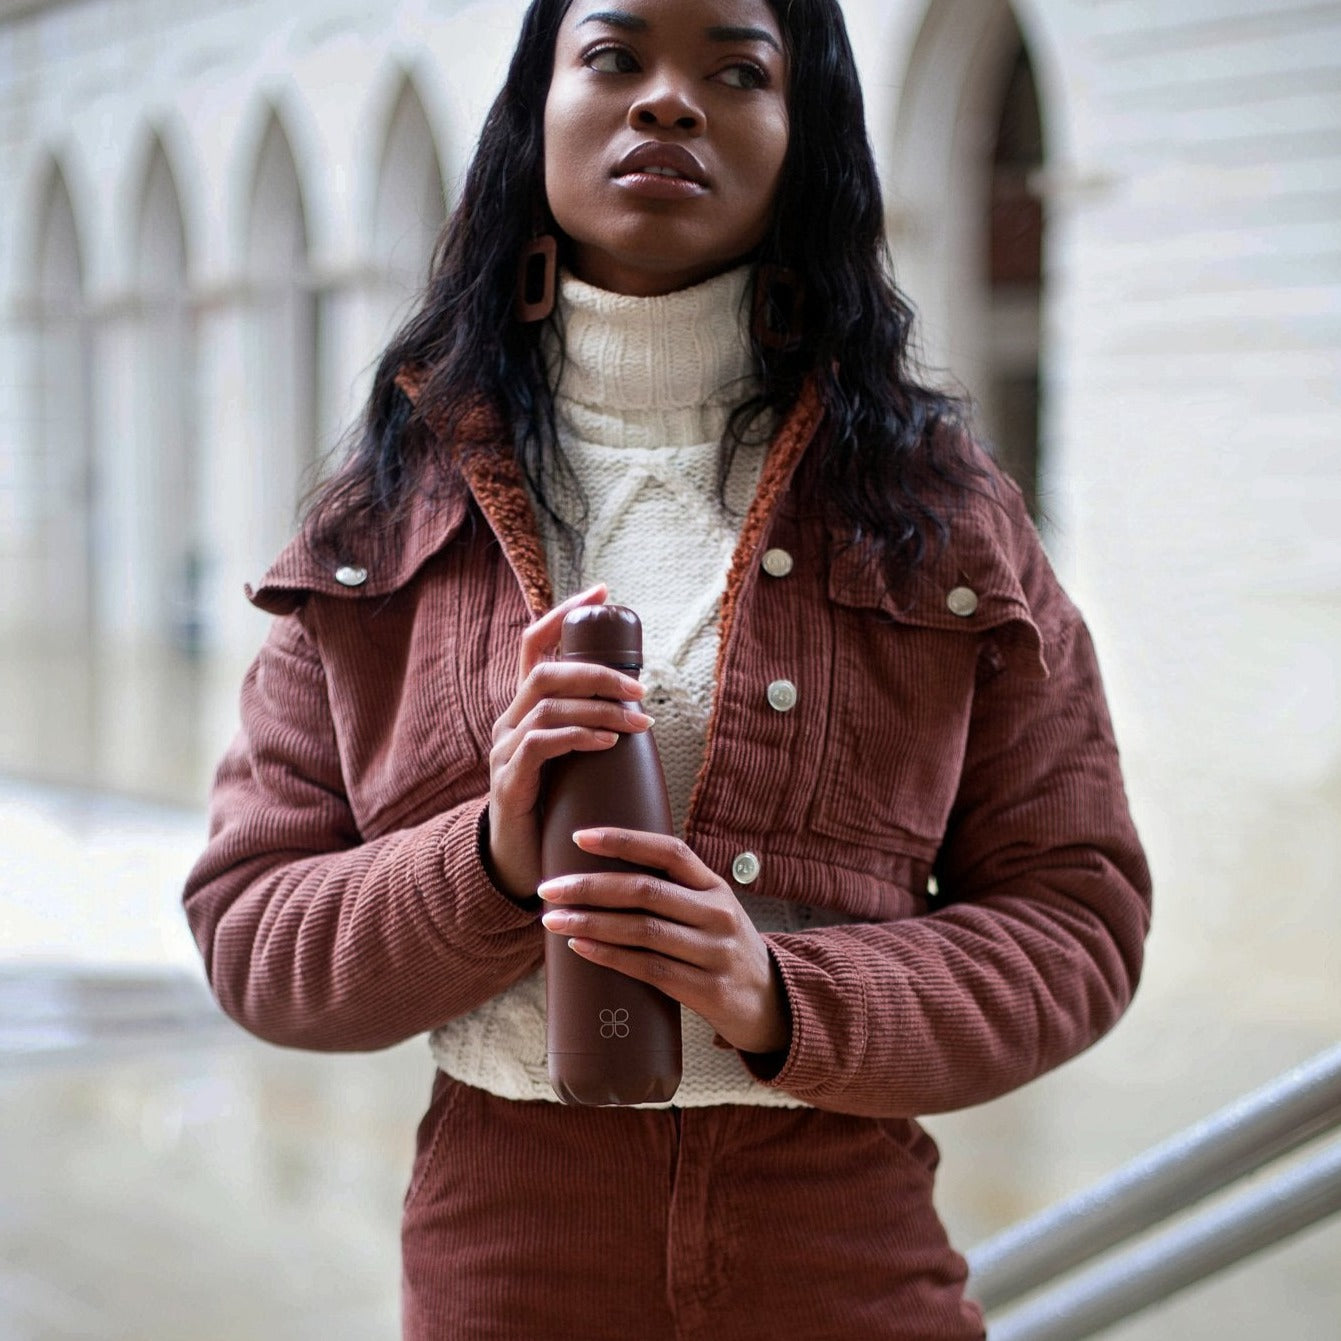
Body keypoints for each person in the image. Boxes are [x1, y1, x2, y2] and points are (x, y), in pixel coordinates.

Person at [183, 0, 1152, 1336]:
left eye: (736, 69)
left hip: (835, 1236)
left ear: (799, 135)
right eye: (615, 56)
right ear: (538, 112)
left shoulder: (937, 505)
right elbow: (250, 931)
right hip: (509, 1244)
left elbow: (1076, 922)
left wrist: (783, 993)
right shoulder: (390, 508)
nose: (667, 102)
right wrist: (486, 861)